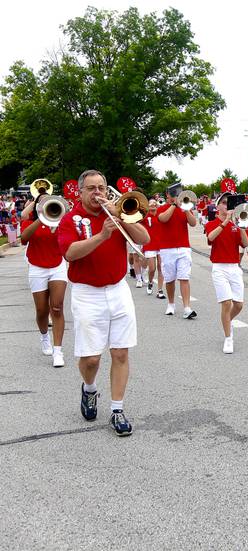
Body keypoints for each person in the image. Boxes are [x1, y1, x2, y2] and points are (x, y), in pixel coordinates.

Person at [57, 169, 150, 437]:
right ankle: (89, 388)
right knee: (91, 359)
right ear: (81, 192)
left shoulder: (117, 213)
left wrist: (121, 216)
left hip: (118, 289)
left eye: (101, 187)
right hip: (87, 293)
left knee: (120, 352)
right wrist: (101, 236)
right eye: (91, 188)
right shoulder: (70, 219)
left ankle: (117, 409)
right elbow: (70, 253)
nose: (98, 193)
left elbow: (143, 238)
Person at [20, 197, 68, 367]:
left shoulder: (61, 220)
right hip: (37, 267)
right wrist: (41, 219)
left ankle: (58, 351)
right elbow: (23, 239)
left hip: (57, 266)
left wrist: (57, 223)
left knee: (57, 307)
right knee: (42, 310)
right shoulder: (29, 221)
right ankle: (44, 337)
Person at [206, 193, 248, 353]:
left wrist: (240, 225)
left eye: (228, 203)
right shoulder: (212, 223)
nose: (226, 205)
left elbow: (245, 244)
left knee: (238, 305)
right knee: (226, 303)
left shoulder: (236, 224)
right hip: (219, 268)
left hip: (234, 267)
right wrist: (225, 221)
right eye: (223, 203)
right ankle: (228, 338)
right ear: (217, 207)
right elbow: (211, 237)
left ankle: (226, 322)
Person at [157, 185, 197, 319]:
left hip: (184, 248)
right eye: (173, 194)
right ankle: (171, 303)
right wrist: (174, 205)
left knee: (184, 277)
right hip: (167, 249)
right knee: (169, 280)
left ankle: (187, 307)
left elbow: (193, 223)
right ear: (167, 195)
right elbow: (163, 219)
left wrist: (185, 209)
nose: (175, 196)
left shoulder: (185, 208)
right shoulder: (162, 208)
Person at [141, 199, 164, 297]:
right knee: (152, 269)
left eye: (155, 203)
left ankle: (160, 290)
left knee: (160, 268)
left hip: (161, 245)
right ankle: (150, 283)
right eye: (151, 203)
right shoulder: (145, 216)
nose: (153, 204)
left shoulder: (161, 215)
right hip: (149, 245)